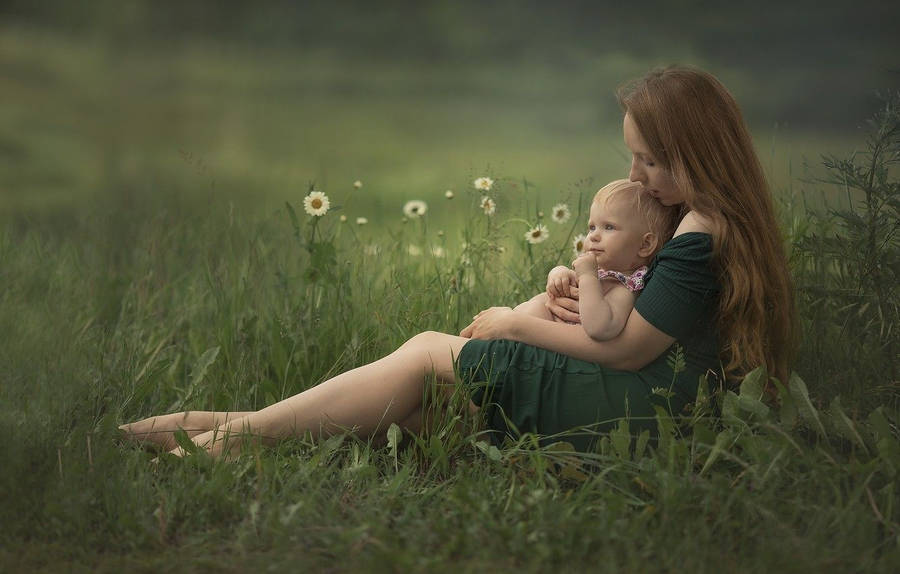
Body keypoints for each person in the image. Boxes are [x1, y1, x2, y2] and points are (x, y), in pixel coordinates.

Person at [120, 65, 795, 456]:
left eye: (649, 160)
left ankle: (233, 438)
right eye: (633, 157)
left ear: (694, 153)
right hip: (653, 399)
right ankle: (230, 430)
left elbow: (629, 352)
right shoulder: (705, 215)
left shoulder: (700, 228)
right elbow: (638, 318)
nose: (636, 175)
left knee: (426, 355)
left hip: (647, 407)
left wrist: (515, 324)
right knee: (424, 407)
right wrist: (568, 293)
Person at [512, 179, 679, 343]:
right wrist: (560, 274)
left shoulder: (626, 288)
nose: (593, 236)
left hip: (548, 346)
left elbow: (600, 328)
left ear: (645, 245)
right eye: (592, 227)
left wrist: (587, 277)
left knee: (534, 310)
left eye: (609, 227)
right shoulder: (601, 272)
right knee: (531, 308)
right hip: (526, 334)